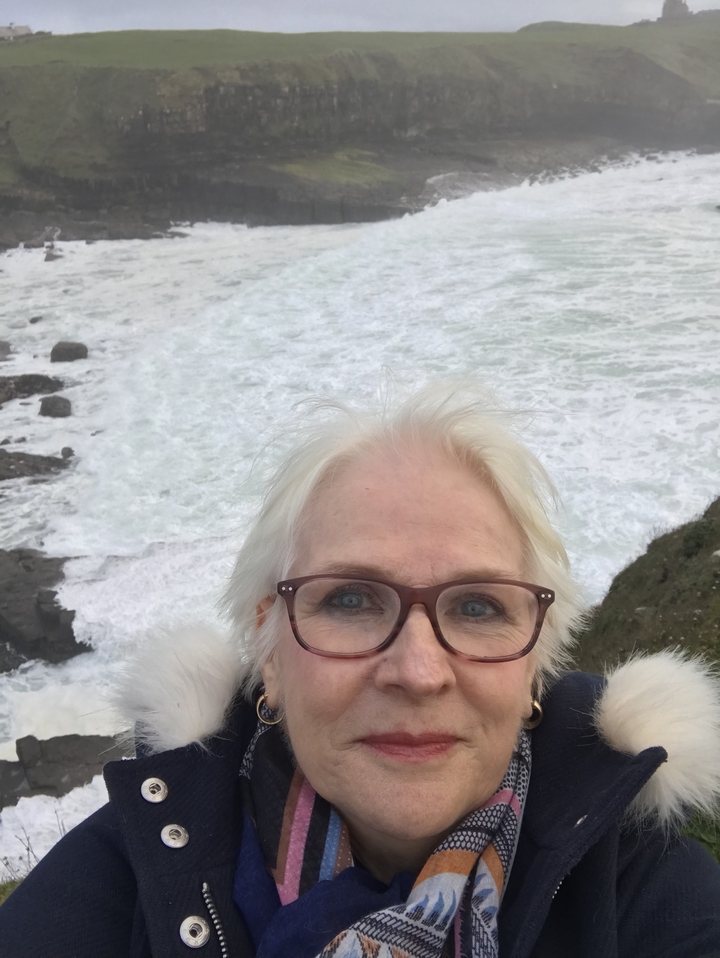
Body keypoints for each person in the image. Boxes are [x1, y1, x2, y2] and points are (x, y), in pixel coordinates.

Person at [1, 383, 719, 958]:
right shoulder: (111, 891)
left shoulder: (645, 894)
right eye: (349, 599)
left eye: (477, 607)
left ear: (534, 668)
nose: (418, 670)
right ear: (269, 654)